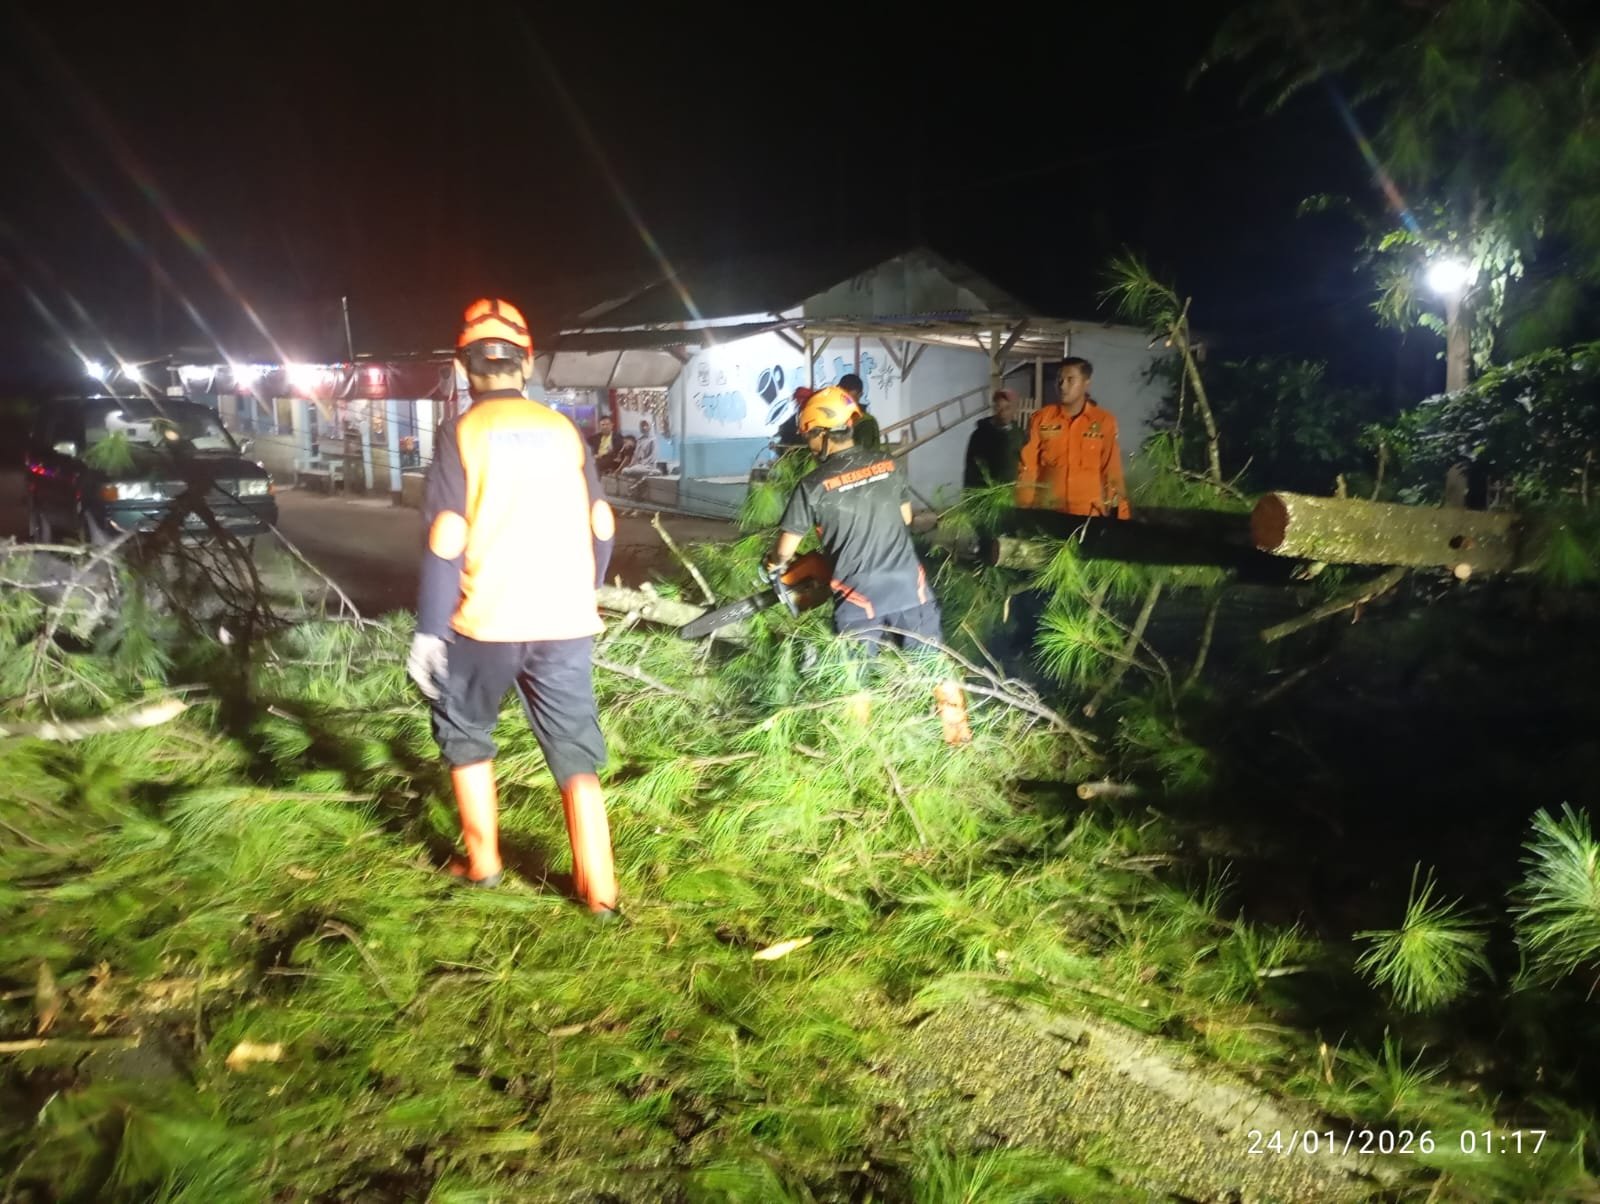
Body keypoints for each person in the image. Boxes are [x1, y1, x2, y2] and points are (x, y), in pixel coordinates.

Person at [407, 297, 620, 917]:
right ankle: (600, 894)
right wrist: (585, 589)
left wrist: (427, 631)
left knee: (466, 731)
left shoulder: (461, 432)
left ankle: (483, 865)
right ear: (526, 362)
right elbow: (601, 525)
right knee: (576, 749)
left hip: (485, 622)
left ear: (461, 366)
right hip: (566, 622)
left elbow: (447, 535)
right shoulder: (564, 430)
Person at [764, 386, 971, 745]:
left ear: (822, 434)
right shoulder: (887, 464)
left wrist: (773, 563)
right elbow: (905, 517)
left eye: (809, 437)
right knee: (935, 669)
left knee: (856, 683)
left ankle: (857, 754)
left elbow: (785, 550)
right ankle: (959, 740)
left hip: (858, 597)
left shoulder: (812, 484)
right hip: (910, 587)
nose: (809, 445)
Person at [1016, 357, 1131, 518]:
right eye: (1060, 380)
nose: (1063, 385)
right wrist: (1023, 510)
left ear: (1086, 383)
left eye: (1070, 380)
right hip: (1048, 514)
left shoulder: (1104, 421)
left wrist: (1120, 517)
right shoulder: (1041, 419)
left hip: (1089, 515)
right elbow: (1028, 468)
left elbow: (1112, 472)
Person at [963, 388, 1025, 488]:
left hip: (1011, 495)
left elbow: (1025, 464)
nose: (1002, 412)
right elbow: (970, 471)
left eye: (1007, 407)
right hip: (986, 496)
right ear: (994, 408)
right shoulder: (979, 436)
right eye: (998, 407)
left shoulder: (1020, 435)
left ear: (1015, 409)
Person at [837, 372, 880, 449]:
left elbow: (862, 452)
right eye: (843, 398)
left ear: (860, 395)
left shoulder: (866, 423)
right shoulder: (834, 418)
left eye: (850, 399)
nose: (846, 403)